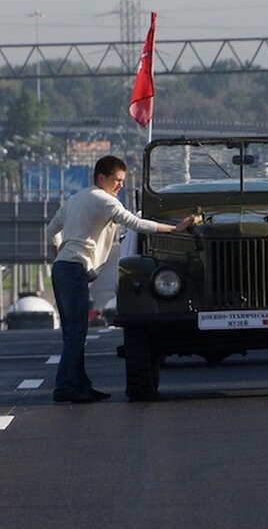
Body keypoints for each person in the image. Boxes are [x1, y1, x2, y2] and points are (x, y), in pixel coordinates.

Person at [46, 155, 193, 403]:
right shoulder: (105, 200)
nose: (120, 185)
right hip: (73, 270)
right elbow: (136, 223)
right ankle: (65, 386)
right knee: (76, 333)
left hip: (62, 268)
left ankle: (81, 384)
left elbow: (51, 230)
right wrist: (175, 229)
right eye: (116, 180)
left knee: (72, 333)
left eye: (123, 180)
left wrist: (59, 252)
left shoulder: (76, 198)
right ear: (101, 178)